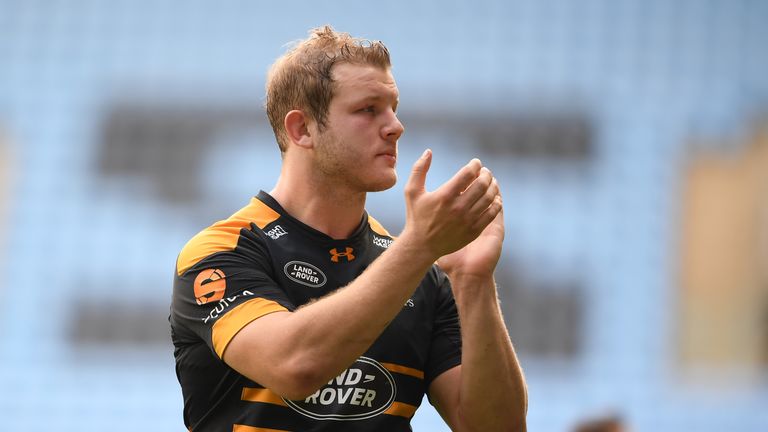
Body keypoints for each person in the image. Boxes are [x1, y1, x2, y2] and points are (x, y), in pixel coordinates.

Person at [170, 25, 527, 431]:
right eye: (368, 109)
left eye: (393, 106)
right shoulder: (221, 251)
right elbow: (296, 367)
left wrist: (473, 280)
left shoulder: (422, 272)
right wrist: (418, 248)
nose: (395, 126)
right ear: (301, 129)